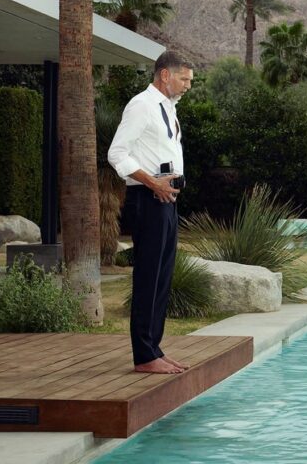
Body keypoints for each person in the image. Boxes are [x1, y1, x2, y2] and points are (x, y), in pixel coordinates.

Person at [108, 50, 193, 374]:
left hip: (166, 200)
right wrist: (152, 182)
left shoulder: (167, 109)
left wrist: (165, 187)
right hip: (146, 198)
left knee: (162, 278)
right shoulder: (141, 106)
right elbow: (117, 153)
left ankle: (154, 349)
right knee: (148, 277)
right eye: (184, 79)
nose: (188, 86)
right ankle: (144, 355)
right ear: (164, 75)